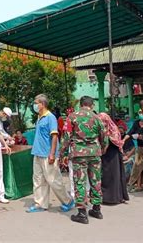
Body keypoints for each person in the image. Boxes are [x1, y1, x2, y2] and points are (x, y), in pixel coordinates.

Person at [61, 96, 107, 224]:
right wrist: (102, 149)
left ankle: (82, 213)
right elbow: (104, 137)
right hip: (95, 153)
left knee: (80, 182)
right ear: (91, 105)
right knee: (96, 180)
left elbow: (66, 137)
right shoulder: (97, 117)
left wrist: (63, 154)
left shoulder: (72, 117)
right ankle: (97, 209)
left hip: (79, 154)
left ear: (80, 105)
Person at [27, 94, 74, 214]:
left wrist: (52, 154)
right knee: (38, 180)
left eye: (36, 103)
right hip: (37, 153)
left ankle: (68, 201)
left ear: (42, 104)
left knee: (54, 180)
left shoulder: (50, 117)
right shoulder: (39, 117)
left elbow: (54, 136)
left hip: (48, 154)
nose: (35, 105)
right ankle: (40, 203)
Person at [98, 113, 129, 205]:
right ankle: (111, 197)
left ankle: (113, 198)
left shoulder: (113, 129)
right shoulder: (104, 129)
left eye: (103, 121)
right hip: (106, 155)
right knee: (107, 176)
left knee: (113, 176)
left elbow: (113, 141)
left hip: (112, 155)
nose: (102, 123)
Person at [125, 110, 143, 192]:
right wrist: (123, 139)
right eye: (140, 112)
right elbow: (130, 133)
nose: (141, 114)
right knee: (136, 166)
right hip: (139, 147)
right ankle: (131, 184)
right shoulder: (136, 123)